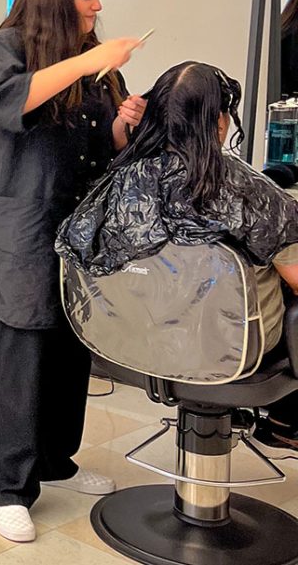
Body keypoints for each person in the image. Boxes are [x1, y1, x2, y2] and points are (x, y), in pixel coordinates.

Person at [0, 0, 148, 543]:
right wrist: (87, 64)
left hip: (74, 232)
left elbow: (100, 148)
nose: (98, 7)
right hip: (19, 231)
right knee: (23, 355)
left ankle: (54, 461)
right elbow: (0, 102)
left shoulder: (92, 58)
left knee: (70, 352)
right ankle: (9, 486)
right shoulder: (4, 51)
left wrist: (122, 125)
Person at [55, 62, 298, 446]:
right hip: (229, 348)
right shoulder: (246, 190)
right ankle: (286, 422)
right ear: (218, 121)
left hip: (130, 338)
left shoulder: (122, 181)